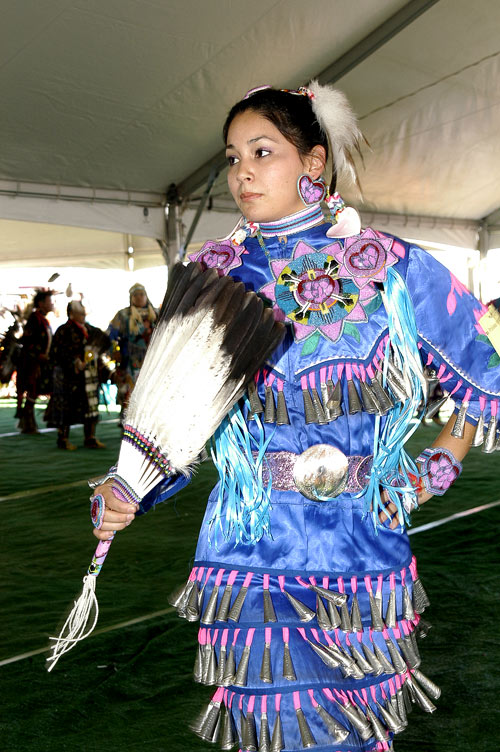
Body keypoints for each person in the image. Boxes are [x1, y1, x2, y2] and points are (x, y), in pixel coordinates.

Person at [90, 83, 500, 751]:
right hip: (252, 546)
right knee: (274, 731)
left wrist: (439, 465)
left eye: (261, 151)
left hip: (364, 545)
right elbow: (177, 425)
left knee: (354, 729)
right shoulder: (215, 277)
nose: (242, 171)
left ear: (313, 164)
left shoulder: (390, 269)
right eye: (231, 157)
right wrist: (126, 488)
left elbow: (486, 372)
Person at [46, 301, 110, 450]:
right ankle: (63, 439)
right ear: (72, 314)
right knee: (66, 407)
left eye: (84, 313)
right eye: (81, 313)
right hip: (69, 377)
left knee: (91, 405)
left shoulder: (90, 330)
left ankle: (90, 437)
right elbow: (57, 352)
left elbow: (104, 341)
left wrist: (96, 353)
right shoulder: (64, 330)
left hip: (89, 375)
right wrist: (74, 361)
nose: (83, 316)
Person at [107, 283, 157, 422]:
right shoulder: (123, 314)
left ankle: (150, 421)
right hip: (130, 361)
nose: (140, 297)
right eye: (136, 295)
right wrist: (114, 351)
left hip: (153, 360)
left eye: (142, 294)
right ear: (131, 298)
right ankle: (128, 421)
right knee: (130, 391)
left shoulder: (156, 313)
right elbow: (110, 335)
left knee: (151, 391)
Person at [16, 289, 54, 434]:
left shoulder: (42, 319)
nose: (52, 304)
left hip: (41, 362)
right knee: (32, 390)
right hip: (31, 363)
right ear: (41, 303)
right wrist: (38, 356)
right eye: (50, 301)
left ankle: (32, 421)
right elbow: (27, 341)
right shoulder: (35, 319)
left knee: (37, 390)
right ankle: (27, 422)